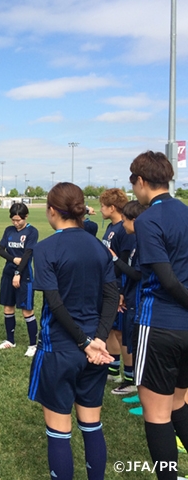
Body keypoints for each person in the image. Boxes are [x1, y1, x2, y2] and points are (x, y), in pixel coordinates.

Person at [28, 182, 119, 480]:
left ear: (52, 210)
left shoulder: (45, 248)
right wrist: (99, 339)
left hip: (61, 350)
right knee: (92, 425)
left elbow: (54, 303)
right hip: (96, 352)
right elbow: (111, 296)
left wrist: (84, 341)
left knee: (59, 431)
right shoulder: (100, 247)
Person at [129, 151, 188, 480]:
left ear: (141, 181)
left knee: (157, 414)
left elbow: (166, 279)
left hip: (161, 324)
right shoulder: (186, 212)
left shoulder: (149, 219)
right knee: (178, 403)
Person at [107, 200, 147, 396]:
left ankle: (138, 387)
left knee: (137, 343)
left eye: (125, 221)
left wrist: (114, 259)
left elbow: (137, 274)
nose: (122, 225)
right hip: (130, 297)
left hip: (140, 300)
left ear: (135, 220)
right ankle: (135, 386)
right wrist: (123, 293)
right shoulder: (136, 242)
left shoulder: (144, 244)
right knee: (130, 339)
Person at [99, 188, 135, 388]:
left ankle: (129, 378)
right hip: (109, 285)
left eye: (103, 206)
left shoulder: (125, 229)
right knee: (111, 329)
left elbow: (125, 262)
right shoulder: (111, 227)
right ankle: (113, 369)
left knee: (122, 333)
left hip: (119, 287)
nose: (100, 209)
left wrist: (121, 290)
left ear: (112, 208)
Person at [0, 203, 39, 357]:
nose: (16, 223)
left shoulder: (32, 232)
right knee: (8, 307)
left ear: (26, 217)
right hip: (8, 273)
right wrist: (13, 259)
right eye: (13, 220)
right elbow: (0, 250)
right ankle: (10, 340)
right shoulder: (9, 230)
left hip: (24, 274)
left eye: (18, 220)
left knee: (27, 310)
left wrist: (18, 273)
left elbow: (28, 254)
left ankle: (33, 345)